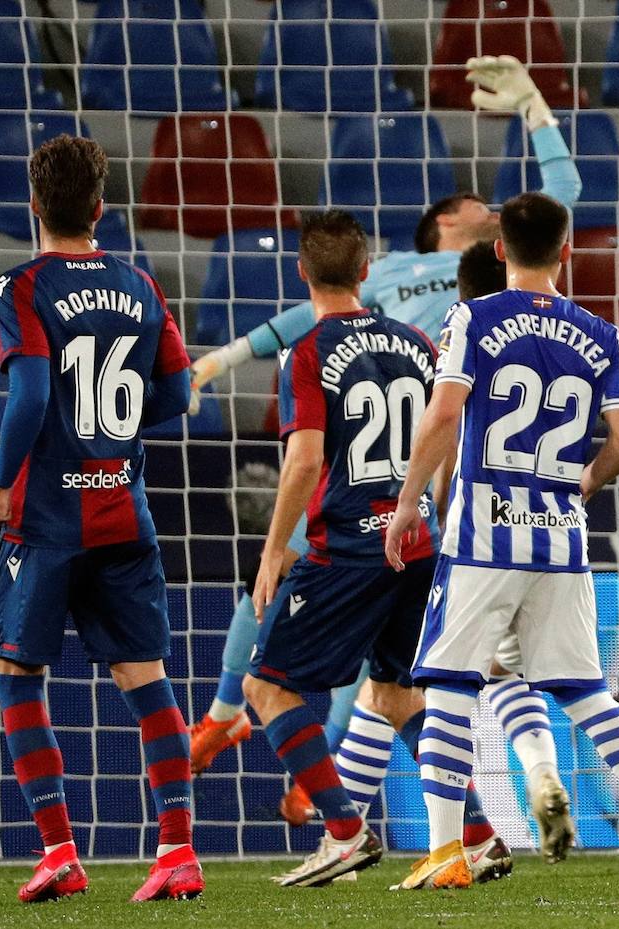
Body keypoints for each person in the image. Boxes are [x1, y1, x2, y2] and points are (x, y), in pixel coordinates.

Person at [189, 55, 578, 861]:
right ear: (440, 226)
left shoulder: (487, 273)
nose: (491, 208)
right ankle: (249, 724)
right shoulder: (396, 293)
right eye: (478, 203)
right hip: (396, 485)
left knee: (371, 642)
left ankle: (323, 789)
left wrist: (538, 109)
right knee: (398, 676)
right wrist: (221, 360)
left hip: (441, 469)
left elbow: (559, 207)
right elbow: (301, 314)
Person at [383, 192, 619, 890]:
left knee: (449, 690)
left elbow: (443, 412)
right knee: (588, 695)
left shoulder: (472, 316)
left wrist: (409, 500)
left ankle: (444, 854)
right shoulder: (601, 333)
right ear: (566, 252)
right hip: (560, 539)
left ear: (500, 251)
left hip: (481, 538)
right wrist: (586, 480)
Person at [242, 211, 511, 886]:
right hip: (417, 542)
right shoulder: (418, 342)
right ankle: (477, 836)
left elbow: (303, 460)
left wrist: (275, 548)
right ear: (367, 270)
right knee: (397, 695)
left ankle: (343, 829)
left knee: (265, 685)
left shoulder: (304, 352)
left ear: (302, 272)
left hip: (351, 550)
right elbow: (448, 431)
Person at [0, 134, 201, 902]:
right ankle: (176, 851)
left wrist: (1, 484)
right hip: (123, 512)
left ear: (33, 205)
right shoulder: (140, 284)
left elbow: (32, 395)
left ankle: (61, 851)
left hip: (45, 522)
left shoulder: (19, 284)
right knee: (146, 681)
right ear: (101, 208)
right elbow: (177, 397)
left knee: (16, 675)